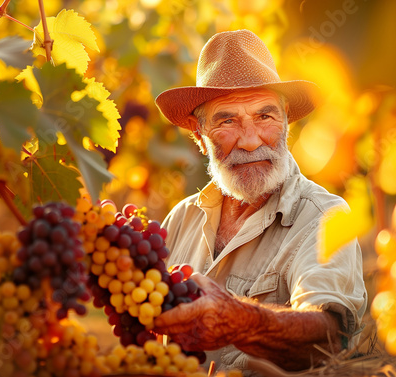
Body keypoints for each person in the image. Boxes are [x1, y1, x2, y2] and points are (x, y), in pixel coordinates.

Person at [152, 29, 367, 374]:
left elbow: (330, 339)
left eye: (265, 116)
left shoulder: (324, 217)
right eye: (227, 121)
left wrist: (241, 321)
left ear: (286, 122)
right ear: (199, 135)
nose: (251, 141)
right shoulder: (180, 219)